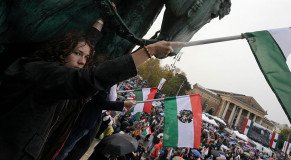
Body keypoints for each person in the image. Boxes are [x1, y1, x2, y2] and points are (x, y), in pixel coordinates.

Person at [0, 17, 181, 160]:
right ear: (60, 50)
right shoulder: (44, 73)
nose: (82, 61)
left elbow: (82, 58)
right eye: (78, 54)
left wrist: (100, 22)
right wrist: (147, 52)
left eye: (86, 57)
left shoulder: (44, 70)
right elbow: (90, 78)